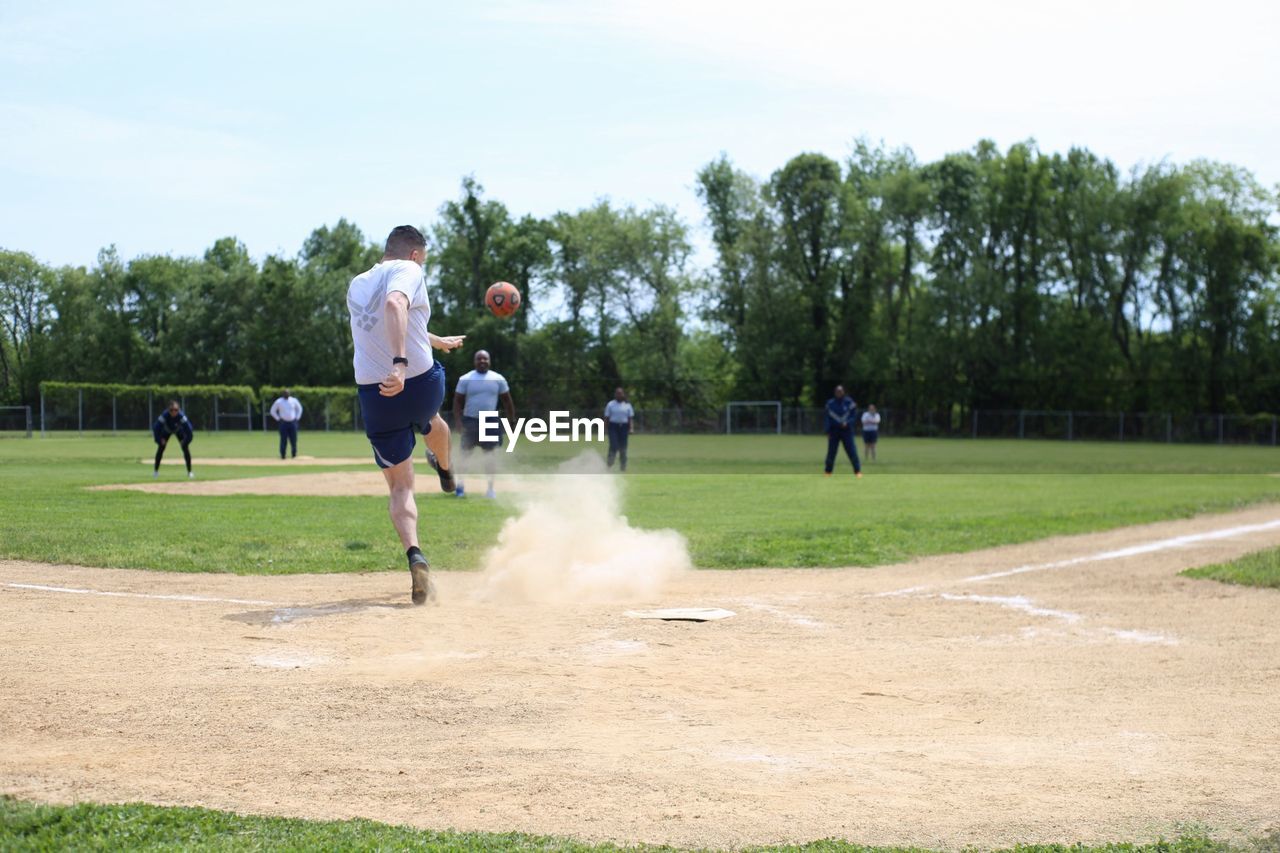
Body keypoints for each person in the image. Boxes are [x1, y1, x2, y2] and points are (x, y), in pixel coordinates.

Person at [347, 225, 466, 606]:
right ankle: (446, 467)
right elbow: (396, 307)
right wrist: (400, 364)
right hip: (416, 381)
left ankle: (415, 554)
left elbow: (394, 322)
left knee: (400, 486)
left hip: (375, 395)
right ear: (414, 254)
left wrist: (435, 339)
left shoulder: (357, 284)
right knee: (431, 419)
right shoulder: (410, 271)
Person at [452, 349, 515, 499]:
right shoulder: (466, 379)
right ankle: (460, 487)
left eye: (485, 359)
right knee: (465, 456)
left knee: (490, 457)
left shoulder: (498, 378)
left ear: (489, 361)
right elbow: (457, 401)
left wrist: (511, 420)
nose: (482, 361)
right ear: (474, 361)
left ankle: (490, 489)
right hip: (470, 420)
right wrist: (458, 421)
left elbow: (507, 401)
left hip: (490, 420)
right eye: (479, 359)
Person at [823, 385, 861, 478]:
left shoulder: (849, 403)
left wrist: (847, 423)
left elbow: (853, 416)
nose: (839, 393)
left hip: (847, 431)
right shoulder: (830, 404)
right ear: (835, 392)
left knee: (852, 451)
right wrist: (827, 430)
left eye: (840, 391)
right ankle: (828, 471)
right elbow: (827, 418)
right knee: (831, 452)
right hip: (834, 431)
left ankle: (857, 471)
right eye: (837, 391)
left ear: (843, 392)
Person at [152, 400, 195, 479]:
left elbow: (189, 430)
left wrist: (185, 441)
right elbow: (156, 428)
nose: (174, 412)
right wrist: (159, 440)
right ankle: (155, 471)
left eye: (176, 410)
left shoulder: (181, 416)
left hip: (178, 430)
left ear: (179, 410)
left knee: (185, 449)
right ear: (168, 410)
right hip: (166, 430)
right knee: (161, 448)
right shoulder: (164, 415)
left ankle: (190, 472)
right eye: (171, 410)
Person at [604, 387, 634, 472]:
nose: (619, 395)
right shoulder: (611, 404)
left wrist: (631, 428)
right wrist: (604, 428)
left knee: (623, 448)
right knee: (614, 446)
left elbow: (630, 418)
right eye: (617, 393)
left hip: (624, 427)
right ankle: (609, 464)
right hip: (613, 427)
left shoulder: (627, 405)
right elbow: (607, 417)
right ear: (615, 394)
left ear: (623, 394)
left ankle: (623, 467)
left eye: (620, 393)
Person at [269, 389, 304, 459]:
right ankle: (283, 455)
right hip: (283, 423)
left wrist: (297, 418)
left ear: (289, 393)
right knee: (283, 439)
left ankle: (294, 454)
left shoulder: (294, 400)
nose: (286, 394)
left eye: (287, 393)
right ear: (283, 394)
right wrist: (278, 419)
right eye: (285, 393)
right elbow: (272, 411)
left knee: (294, 439)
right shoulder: (279, 401)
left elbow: (299, 409)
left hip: (292, 422)